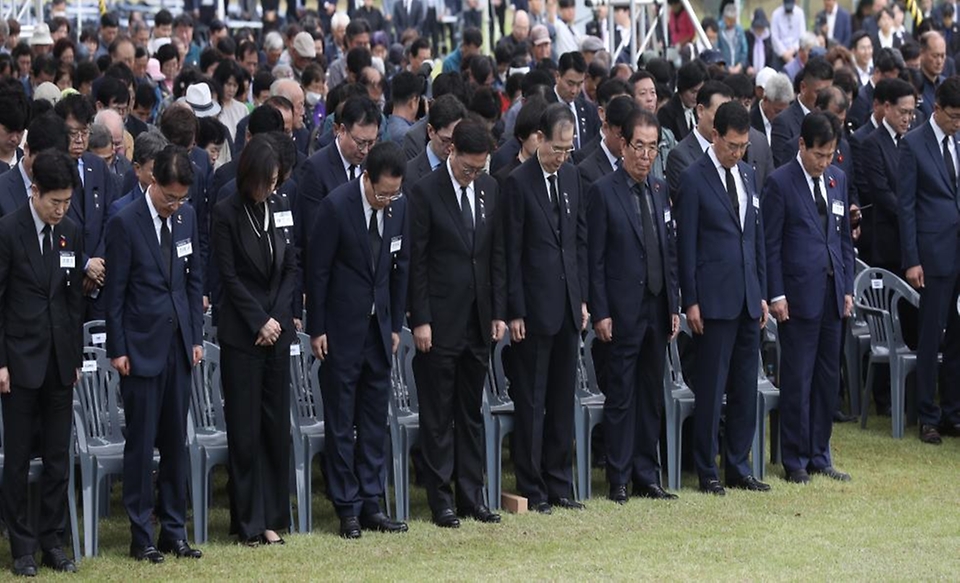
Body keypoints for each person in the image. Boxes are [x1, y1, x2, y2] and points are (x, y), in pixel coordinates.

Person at [104, 145, 204, 563]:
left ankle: (174, 530)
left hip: (178, 345)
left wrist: (196, 336)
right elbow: (116, 294)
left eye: (181, 199)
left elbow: (193, 279)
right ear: (151, 182)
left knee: (175, 443)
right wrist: (119, 348)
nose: (175, 205)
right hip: (140, 348)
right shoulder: (125, 222)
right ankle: (141, 533)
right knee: (141, 446)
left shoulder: (188, 217)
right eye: (169, 197)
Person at [307, 142, 410, 538]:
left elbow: (401, 268)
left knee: (372, 421)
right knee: (340, 421)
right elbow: (318, 272)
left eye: (393, 193)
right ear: (366, 177)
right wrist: (318, 327)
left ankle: (372, 502)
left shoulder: (400, 206)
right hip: (340, 330)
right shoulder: (336, 206)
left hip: (380, 331)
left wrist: (395, 325)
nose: (387, 200)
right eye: (382, 193)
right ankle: (346, 506)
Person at [408, 119, 506, 528]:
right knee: (437, 414)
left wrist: (498, 311)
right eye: (468, 167)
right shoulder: (425, 192)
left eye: (480, 168)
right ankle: (441, 498)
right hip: (440, 321)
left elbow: (495, 255)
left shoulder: (489, 189)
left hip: (478, 320)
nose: (474, 174)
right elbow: (417, 262)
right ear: (452, 153)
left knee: (470, 412)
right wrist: (422, 318)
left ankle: (472, 495)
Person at [676, 101, 770, 496]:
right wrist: (691, 300)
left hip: (749, 297)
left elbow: (756, 238)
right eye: (732, 145)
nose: (738, 152)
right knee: (712, 388)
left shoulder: (748, 173)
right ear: (715, 136)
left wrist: (763, 293)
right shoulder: (694, 178)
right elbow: (687, 245)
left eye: (744, 145)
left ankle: (738, 464)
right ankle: (707, 468)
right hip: (713, 301)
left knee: (746, 386)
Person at [586, 108, 680, 503]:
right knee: (622, 395)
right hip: (622, 311)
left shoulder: (659, 190)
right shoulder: (604, 191)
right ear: (623, 144)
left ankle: (647, 473)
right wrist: (602, 311)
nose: (645, 155)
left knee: (650, 395)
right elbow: (596, 259)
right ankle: (619, 477)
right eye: (638, 146)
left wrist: (674, 303)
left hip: (657, 308)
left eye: (652, 148)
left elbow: (668, 250)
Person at [0, 149, 84, 577]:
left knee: (57, 456)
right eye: (55, 201)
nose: (61, 210)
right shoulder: (8, 231)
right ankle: (21, 547)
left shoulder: (70, 231)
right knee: (16, 459)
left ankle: (53, 539)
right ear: (35, 192)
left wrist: (72, 358)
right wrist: (1, 362)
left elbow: (72, 301)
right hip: (18, 362)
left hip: (59, 365)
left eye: (67, 201)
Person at [212, 134, 298, 546]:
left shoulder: (281, 206)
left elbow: (290, 268)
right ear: (249, 177)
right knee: (245, 430)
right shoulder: (226, 211)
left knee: (275, 427)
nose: (271, 190)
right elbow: (227, 276)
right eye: (266, 182)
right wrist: (259, 320)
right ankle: (248, 520)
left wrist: (278, 318)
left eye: (276, 181)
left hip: (277, 334)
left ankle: (274, 516)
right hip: (243, 336)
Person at [503, 103, 587, 514]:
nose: (562, 156)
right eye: (557, 148)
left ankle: (559, 482)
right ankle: (532, 486)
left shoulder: (572, 176)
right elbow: (511, 252)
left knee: (561, 401)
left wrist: (583, 297)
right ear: (539, 138)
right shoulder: (517, 183)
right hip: (533, 310)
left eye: (569, 149)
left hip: (569, 305)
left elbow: (578, 241)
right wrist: (515, 309)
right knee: (532, 401)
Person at [762, 111, 854, 483]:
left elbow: (844, 239)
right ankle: (795, 458)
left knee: (827, 378)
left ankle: (820, 453)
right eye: (819, 154)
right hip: (797, 298)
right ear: (802, 146)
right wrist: (777, 293)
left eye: (830, 154)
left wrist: (847, 287)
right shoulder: (780, 183)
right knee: (798, 378)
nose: (825, 162)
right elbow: (770, 245)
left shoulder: (838, 179)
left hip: (832, 294)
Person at [897, 76, 960, 444]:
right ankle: (927, 415)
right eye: (953, 116)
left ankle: (952, 410)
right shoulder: (914, 145)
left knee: (957, 336)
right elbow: (906, 207)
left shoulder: (958, 139)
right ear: (936, 109)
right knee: (931, 334)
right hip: (932, 255)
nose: (957, 123)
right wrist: (912, 259)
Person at [54, 94, 118, 319]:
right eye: (73, 133)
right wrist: (84, 263)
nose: (80, 139)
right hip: (64, 280)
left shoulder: (98, 166)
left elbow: (111, 216)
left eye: (84, 132)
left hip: (99, 279)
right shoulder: (51, 168)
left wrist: (97, 262)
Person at [297, 96, 380, 247]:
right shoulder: (315, 169)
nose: (365, 151)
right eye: (360, 143)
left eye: (371, 143)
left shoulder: (373, 162)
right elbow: (313, 233)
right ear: (341, 130)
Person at [666, 81, 734, 201]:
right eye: (720, 114)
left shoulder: (733, 151)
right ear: (700, 111)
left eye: (729, 115)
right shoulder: (680, 156)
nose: (725, 121)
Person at [0, 114, 70, 218]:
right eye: (42, 159)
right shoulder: (2, 189)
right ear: (27, 149)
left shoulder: (67, 188)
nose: (47, 168)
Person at [770, 57, 835, 167]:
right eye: (819, 92)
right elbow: (782, 167)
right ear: (803, 87)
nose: (824, 98)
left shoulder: (833, 119)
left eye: (828, 92)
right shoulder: (783, 122)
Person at [405, 94, 465, 189]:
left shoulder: (466, 170)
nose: (451, 147)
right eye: (445, 140)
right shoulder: (409, 175)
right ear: (431, 131)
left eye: (456, 141)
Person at [578, 94, 636, 191]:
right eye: (620, 135)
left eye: (630, 136)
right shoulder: (587, 171)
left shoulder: (636, 164)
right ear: (606, 127)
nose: (625, 143)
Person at [551, 52, 601, 149]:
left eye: (579, 84)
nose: (574, 90)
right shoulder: (544, 105)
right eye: (570, 84)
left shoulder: (589, 110)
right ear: (557, 76)